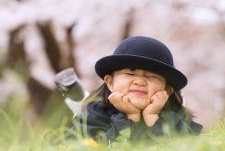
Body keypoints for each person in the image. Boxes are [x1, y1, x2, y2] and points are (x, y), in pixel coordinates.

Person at [70, 36, 203, 144]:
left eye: (151, 76)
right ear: (110, 82)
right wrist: (130, 117)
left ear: (167, 90)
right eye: (130, 74)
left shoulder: (175, 118)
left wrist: (152, 118)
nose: (139, 81)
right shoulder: (94, 114)